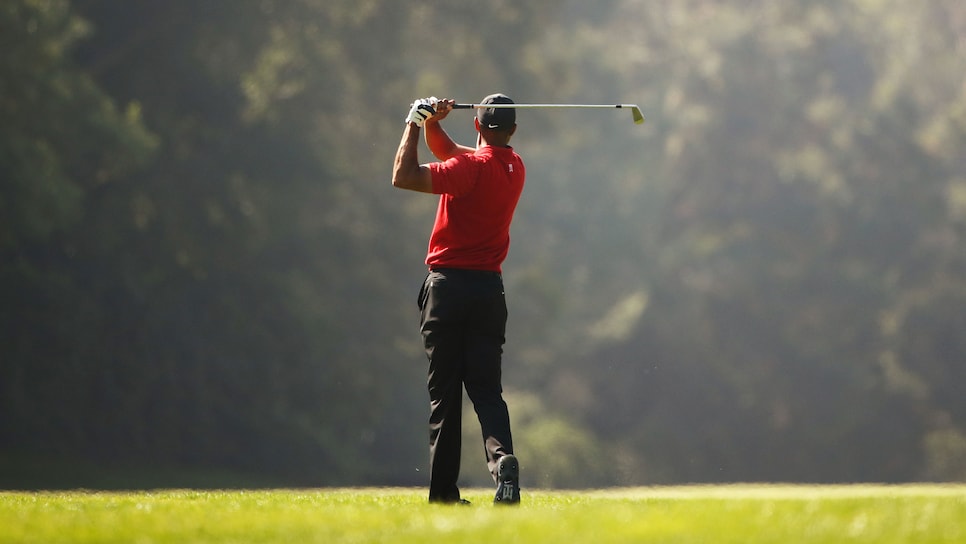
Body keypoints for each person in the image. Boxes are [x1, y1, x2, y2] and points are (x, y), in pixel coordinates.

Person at [391, 94, 524, 505]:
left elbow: (404, 175)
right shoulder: (513, 166)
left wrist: (414, 121)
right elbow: (455, 154)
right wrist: (434, 124)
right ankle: (502, 460)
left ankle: (445, 495)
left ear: (478, 125)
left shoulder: (469, 168)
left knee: (444, 394)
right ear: (512, 131)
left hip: (448, 289)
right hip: (489, 291)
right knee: (486, 389)